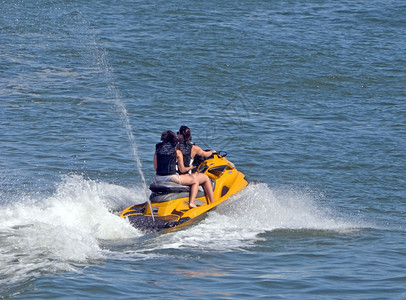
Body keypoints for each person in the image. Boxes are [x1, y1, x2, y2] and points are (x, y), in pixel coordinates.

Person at [153, 130, 200, 208]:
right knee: (195, 181)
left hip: (157, 178)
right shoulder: (177, 152)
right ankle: (191, 203)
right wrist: (190, 167)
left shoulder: (157, 150)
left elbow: (155, 168)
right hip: (171, 178)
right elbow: (182, 170)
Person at [177, 125, 215, 205]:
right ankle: (212, 202)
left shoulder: (175, 147)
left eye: (178, 133)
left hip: (176, 176)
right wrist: (212, 152)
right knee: (205, 178)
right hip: (186, 175)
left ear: (180, 135)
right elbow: (206, 154)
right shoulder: (194, 148)